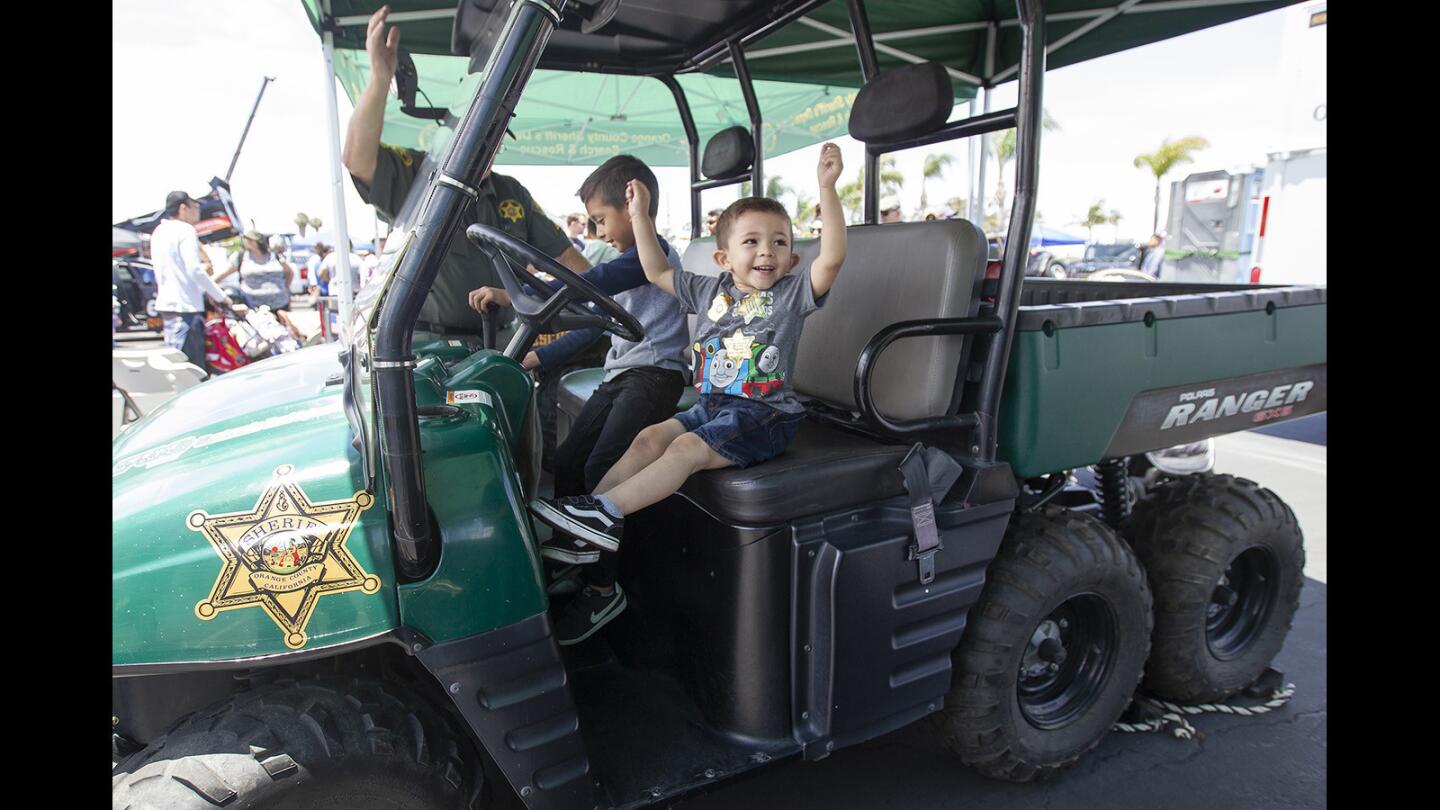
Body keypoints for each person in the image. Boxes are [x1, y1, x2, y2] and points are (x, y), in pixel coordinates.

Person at [528, 144, 847, 642]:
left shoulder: (791, 293)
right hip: (713, 405)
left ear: (792, 256)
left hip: (763, 415)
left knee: (683, 449)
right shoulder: (712, 289)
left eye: (779, 242)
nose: (767, 251)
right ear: (724, 257)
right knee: (647, 439)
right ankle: (594, 521)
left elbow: (833, 257)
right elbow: (656, 270)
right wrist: (638, 217)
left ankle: (603, 513)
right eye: (752, 242)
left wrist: (826, 189)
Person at [468, 155, 692, 645]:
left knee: (602, 469)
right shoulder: (621, 264)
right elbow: (593, 319)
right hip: (623, 374)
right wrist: (538, 361)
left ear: (633, 206)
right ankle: (578, 556)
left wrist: (513, 295)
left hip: (656, 376)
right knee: (567, 462)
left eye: (601, 219)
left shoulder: (649, 260)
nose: (598, 230)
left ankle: (603, 587)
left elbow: (585, 288)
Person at [341, 4, 589, 341]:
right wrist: (380, 79)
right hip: (429, 346)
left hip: (501, 342)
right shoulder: (418, 176)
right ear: (457, 132)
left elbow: (569, 259)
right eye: (482, 133)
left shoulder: (511, 193)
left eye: (497, 134)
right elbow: (357, 158)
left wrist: (610, 290)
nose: (491, 144)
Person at [150, 190, 233, 371]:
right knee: (194, 371)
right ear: (183, 208)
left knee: (177, 368)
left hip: (168, 306)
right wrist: (220, 296)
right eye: (195, 206)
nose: (198, 211)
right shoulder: (185, 230)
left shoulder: (158, 231)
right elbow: (194, 269)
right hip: (186, 307)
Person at [214, 229, 305, 340]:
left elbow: (289, 272)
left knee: (286, 338)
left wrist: (285, 288)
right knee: (264, 341)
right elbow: (223, 273)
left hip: (280, 305)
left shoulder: (274, 255)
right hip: (255, 308)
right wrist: (208, 284)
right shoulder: (241, 257)